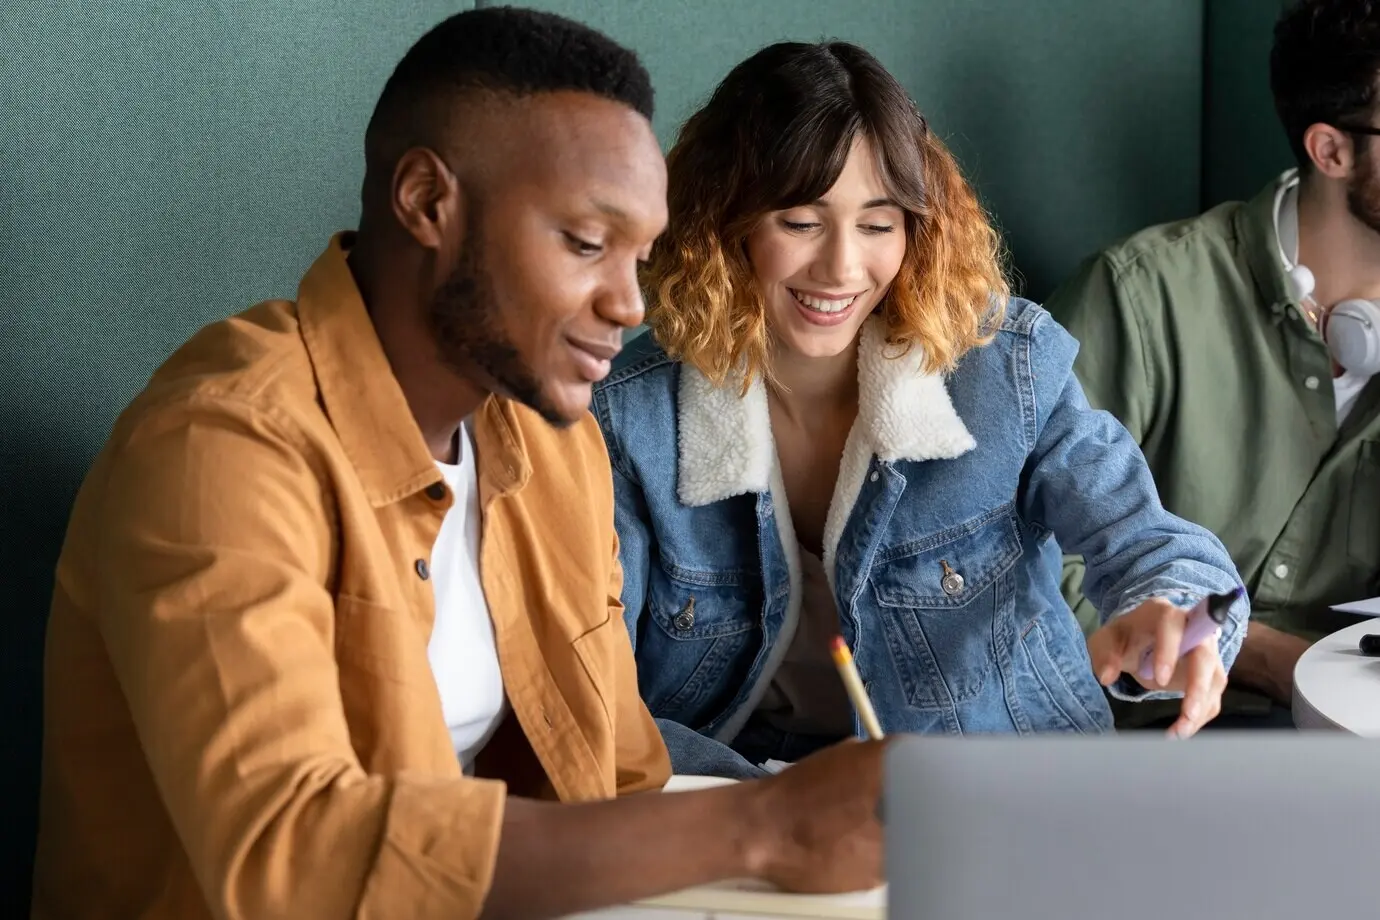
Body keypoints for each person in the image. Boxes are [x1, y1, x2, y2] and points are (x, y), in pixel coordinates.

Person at [30, 10, 886, 920]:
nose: (628, 304)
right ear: (427, 202)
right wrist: (760, 826)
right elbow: (289, 853)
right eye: (588, 244)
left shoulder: (558, 447)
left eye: (638, 257)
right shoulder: (220, 448)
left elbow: (618, 773)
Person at [592, 39, 1249, 779]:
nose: (842, 267)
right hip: (739, 801)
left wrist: (1171, 617)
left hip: (999, 791)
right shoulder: (628, 416)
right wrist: (774, 815)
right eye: (802, 222)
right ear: (725, 221)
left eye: (878, 224)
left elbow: (1155, 545)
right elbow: (600, 697)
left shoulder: (1008, 368)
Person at [1045, 0, 1380, 730]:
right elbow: (1024, 564)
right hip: (1142, 741)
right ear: (1332, 152)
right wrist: (1255, 653)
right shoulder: (1142, 296)